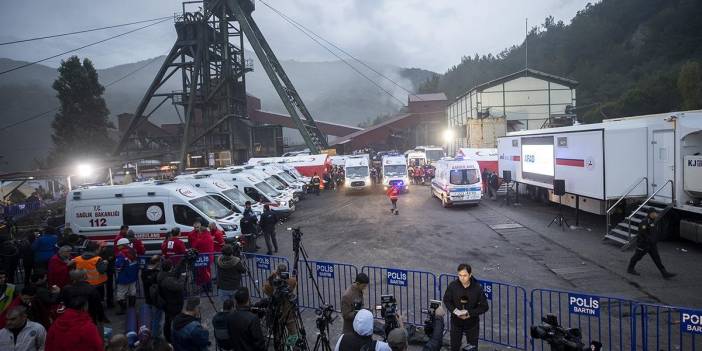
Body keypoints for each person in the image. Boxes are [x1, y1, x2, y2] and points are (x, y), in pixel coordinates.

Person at [442, 263, 489, 351]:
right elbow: (447, 300)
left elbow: (484, 307)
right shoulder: (453, 285)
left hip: (472, 323)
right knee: (454, 347)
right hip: (456, 322)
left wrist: (470, 313)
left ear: (470, 275)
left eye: (465, 275)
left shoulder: (477, 288)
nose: (462, 278)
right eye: (460, 275)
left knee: (472, 348)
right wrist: (455, 311)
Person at [627, 209, 677, 279]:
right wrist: (649, 240)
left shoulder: (652, 221)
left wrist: (654, 240)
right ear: (650, 214)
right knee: (637, 256)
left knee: (657, 258)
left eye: (655, 213)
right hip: (644, 244)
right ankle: (630, 268)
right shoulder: (644, 222)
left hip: (652, 245)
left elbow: (652, 232)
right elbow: (642, 233)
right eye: (654, 213)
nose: (655, 215)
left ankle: (664, 273)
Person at [157, 259, 186, 343]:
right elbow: (179, 286)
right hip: (172, 304)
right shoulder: (168, 280)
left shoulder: (162, 275)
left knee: (168, 321)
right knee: (172, 322)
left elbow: (174, 273)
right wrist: (183, 276)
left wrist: (182, 261)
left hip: (169, 302)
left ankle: (169, 336)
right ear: (170, 267)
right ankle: (171, 338)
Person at [72, 241, 108, 305]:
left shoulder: (77, 258)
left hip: (83, 283)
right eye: (99, 249)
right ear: (96, 250)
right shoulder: (98, 259)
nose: (100, 250)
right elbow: (102, 270)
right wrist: (105, 263)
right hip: (97, 284)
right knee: (97, 301)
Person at [115, 238, 139, 315]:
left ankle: (123, 309)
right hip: (133, 276)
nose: (117, 247)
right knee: (132, 291)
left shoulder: (121, 254)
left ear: (122, 245)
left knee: (121, 294)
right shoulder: (134, 251)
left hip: (124, 277)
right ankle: (132, 307)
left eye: (118, 246)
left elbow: (118, 267)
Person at [142, 255, 163, 338]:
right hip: (156, 298)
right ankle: (155, 336)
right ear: (157, 262)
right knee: (156, 318)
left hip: (148, 297)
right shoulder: (156, 272)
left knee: (151, 316)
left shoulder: (144, 270)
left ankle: (150, 331)